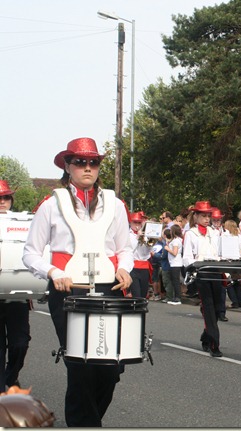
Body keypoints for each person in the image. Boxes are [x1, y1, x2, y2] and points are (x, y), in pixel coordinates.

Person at [22, 137, 133, 427]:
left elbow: (125, 248)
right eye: (80, 162)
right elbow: (31, 253)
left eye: (93, 162)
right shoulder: (51, 205)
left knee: (111, 369)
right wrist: (54, 273)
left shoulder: (115, 204)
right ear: (68, 167)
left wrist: (126, 267)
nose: (87, 167)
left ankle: (88, 420)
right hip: (69, 291)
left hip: (110, 291)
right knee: (81, 368)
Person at [0, 180, 31, 392]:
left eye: (6, 197)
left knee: (20, 344)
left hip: (17, 295)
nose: (2, 202)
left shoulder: (23, 222)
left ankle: (10, 378)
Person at [182, 200, 224, 357]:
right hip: (202, 272)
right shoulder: (191, 234)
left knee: (219, 308)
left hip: (216, 271)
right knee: (209, 307)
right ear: (196, 216)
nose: (207, 219)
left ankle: (206, 337)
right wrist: (195, 265)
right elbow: (186, 257)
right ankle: (214, 344)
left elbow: (221, 252)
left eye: (209, 216)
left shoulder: (215, 232)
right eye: (204, 216)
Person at [222, 219, 241, 308]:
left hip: (228, 260)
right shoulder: (238, 236)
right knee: (236, 282)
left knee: (229, 282)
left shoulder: (225, 235)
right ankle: (240, 301)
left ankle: (234, 301)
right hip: (237, 260)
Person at [128, 211, 153, 298]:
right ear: (130, 222)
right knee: (136, 294)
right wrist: (137, 238)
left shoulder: (145, 235)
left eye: (139, 222)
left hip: (144, 267)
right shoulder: (128, 235)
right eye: (135, 222)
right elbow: (130, 250)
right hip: (133, 267)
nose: (137, 225)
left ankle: (141, 311)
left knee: (143, 294)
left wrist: (149, 242)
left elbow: (147, 253)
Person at [164, 224, 184, 305]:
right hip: (174, 262)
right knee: (175, 280)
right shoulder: (177, 240)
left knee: (175, 280)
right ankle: (176, 297)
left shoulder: (176, 241)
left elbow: (175, 253)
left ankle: (177, 297)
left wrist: (168, 249)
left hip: (175, 263)